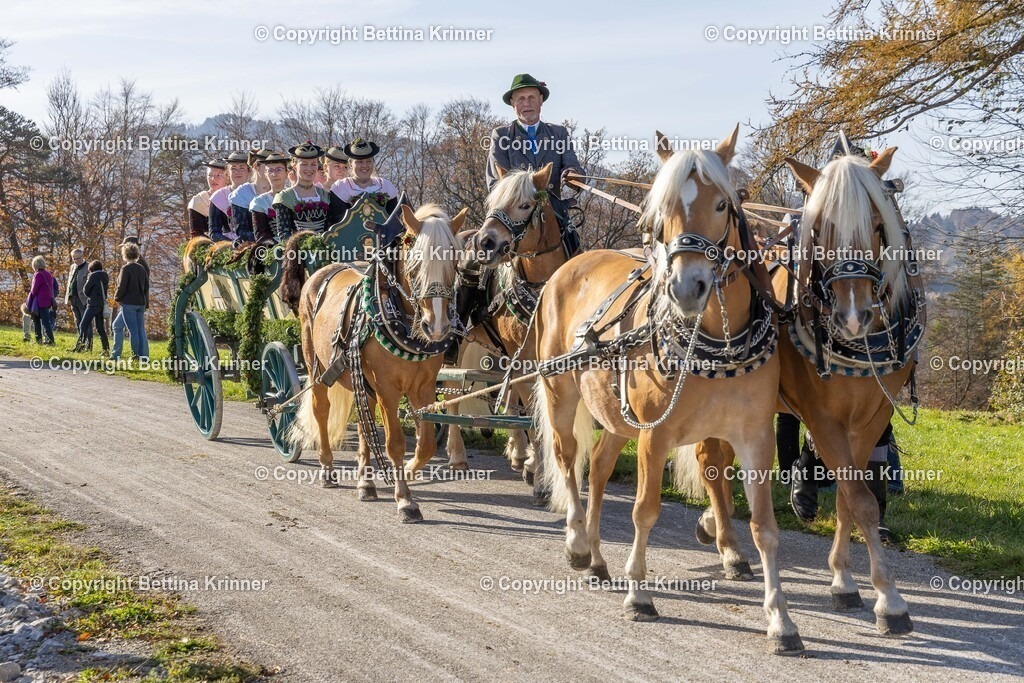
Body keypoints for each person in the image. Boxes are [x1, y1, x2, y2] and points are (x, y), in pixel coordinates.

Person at [485, 74, 585, 206]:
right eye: (521, 99)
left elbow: (573, 165)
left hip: (552, 210)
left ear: (541, 100)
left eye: (532, 97)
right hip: (517, 211)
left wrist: (572, 174)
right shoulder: (501, 135)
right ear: (512, 103)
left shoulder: (559, 133)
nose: (527, 103)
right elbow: (496, 183)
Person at [273, 141, 331, 242]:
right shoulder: (285, 197)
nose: (309, 168)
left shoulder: (325, 195)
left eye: (313, 164)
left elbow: (331, 229)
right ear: (295, 166)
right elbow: (284, 234)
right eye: (304, 164)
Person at [327, 139, 399, 221]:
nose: (365, 165)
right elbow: (337, 222)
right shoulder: (341, 188)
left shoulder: (385, 186)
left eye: (369, 161)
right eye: (359, 162)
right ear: (351, 164)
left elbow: (395, 220)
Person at [111, 243, 149, 361]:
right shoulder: (141, 268)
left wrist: (117, 298)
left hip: (128, 303)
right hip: (140, 303)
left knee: (133, 331)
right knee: (121, 326)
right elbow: (146, 287)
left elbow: (122, 286)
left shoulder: (125, 269)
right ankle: (143, 356)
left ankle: (135, 356)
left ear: (125, 255)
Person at [228, 149, 271, 242]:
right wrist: (267, 240)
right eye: (267, 165)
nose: (272, 170)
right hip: (253, 245)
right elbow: (242, 231)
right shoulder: (241, 194)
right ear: (256, 166)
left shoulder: (281, 193)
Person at [209, 151, 251, 242]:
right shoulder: (219, 197)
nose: (237, 172)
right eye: (233, 168)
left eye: (242, 168)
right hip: (229, 244)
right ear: (228, 172)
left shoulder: (256, 193)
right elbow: (214, 233)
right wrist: (231, 244)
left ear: (249, 171)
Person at [250, 151, 290, 245]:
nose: (274, 174)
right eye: (270, 170)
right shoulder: (259, 202)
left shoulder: (294, 196)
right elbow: (261, 236)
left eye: (279, 170)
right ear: (266, 174)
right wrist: (277, 246)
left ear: (286, 173)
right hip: (270, 248)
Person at [76, 260, 109, 357]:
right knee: (100, 328)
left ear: (92, 268)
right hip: (101, 304)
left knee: (83, 325)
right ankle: (106, 349)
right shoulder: (105, 276)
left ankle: (80, 346)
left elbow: (85, 290)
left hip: (92, 304)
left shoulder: (93, 276)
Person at [187, 158, 228, 238]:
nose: (213, 179)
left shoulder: (234, 198)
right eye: (210, 175)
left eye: (219, 175)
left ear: (227, 178)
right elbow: (196, 235)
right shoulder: (199, 200)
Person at [25, 255, 57, 345]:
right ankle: (50, 340)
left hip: (38, 301)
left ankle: (39, 340)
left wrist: (30, 300)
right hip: (47, 301)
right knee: (46, 322)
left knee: (36, 320)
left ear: (35, 265)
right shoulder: (48, 274)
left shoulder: (38, 274)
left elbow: (34, 290)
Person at [65, 248, 89, 334]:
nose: (76, 260)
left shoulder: (88, 267)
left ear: (82, 256)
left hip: (83, 298)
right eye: (74, 258)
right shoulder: (72, 267)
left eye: (78, 258)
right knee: (77, 321)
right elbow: (70, 282)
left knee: (85, 321)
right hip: (73, 297)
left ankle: (88, 340)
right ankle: (80, 339)